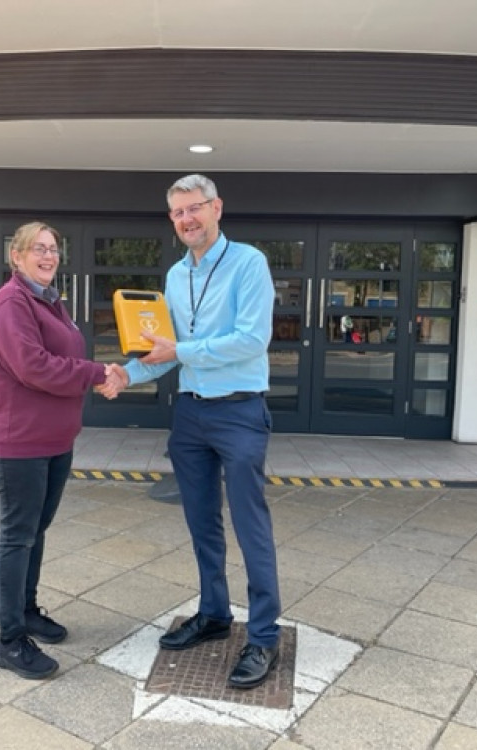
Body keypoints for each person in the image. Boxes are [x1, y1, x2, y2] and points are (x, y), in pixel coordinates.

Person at [104, 174, 281, 689]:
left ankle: (264, 636)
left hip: (240, 412)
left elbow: (251, 339)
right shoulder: (175, 277)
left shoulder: (249, 263)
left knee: (252, 528)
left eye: (195, 209)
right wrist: (124, 374)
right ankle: (214, 614)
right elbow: (163, 353)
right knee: (202, 523)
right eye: (178, 213)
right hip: (190, 415)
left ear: (217, 208)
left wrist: (177, 351)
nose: (187, 219)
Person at [0, 221, 114, 680]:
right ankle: (9, 639)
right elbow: (34, 367)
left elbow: (64, 357)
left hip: (55, 439)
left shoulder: (49, 299)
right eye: (37, 248)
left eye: (53, 248)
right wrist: (98, 374)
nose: (47, 255)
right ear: (15, 257)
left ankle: (28, 611)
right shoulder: (10, 304)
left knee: (36, 531)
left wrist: (94, 373)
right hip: (20, 441)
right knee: (18, 536)